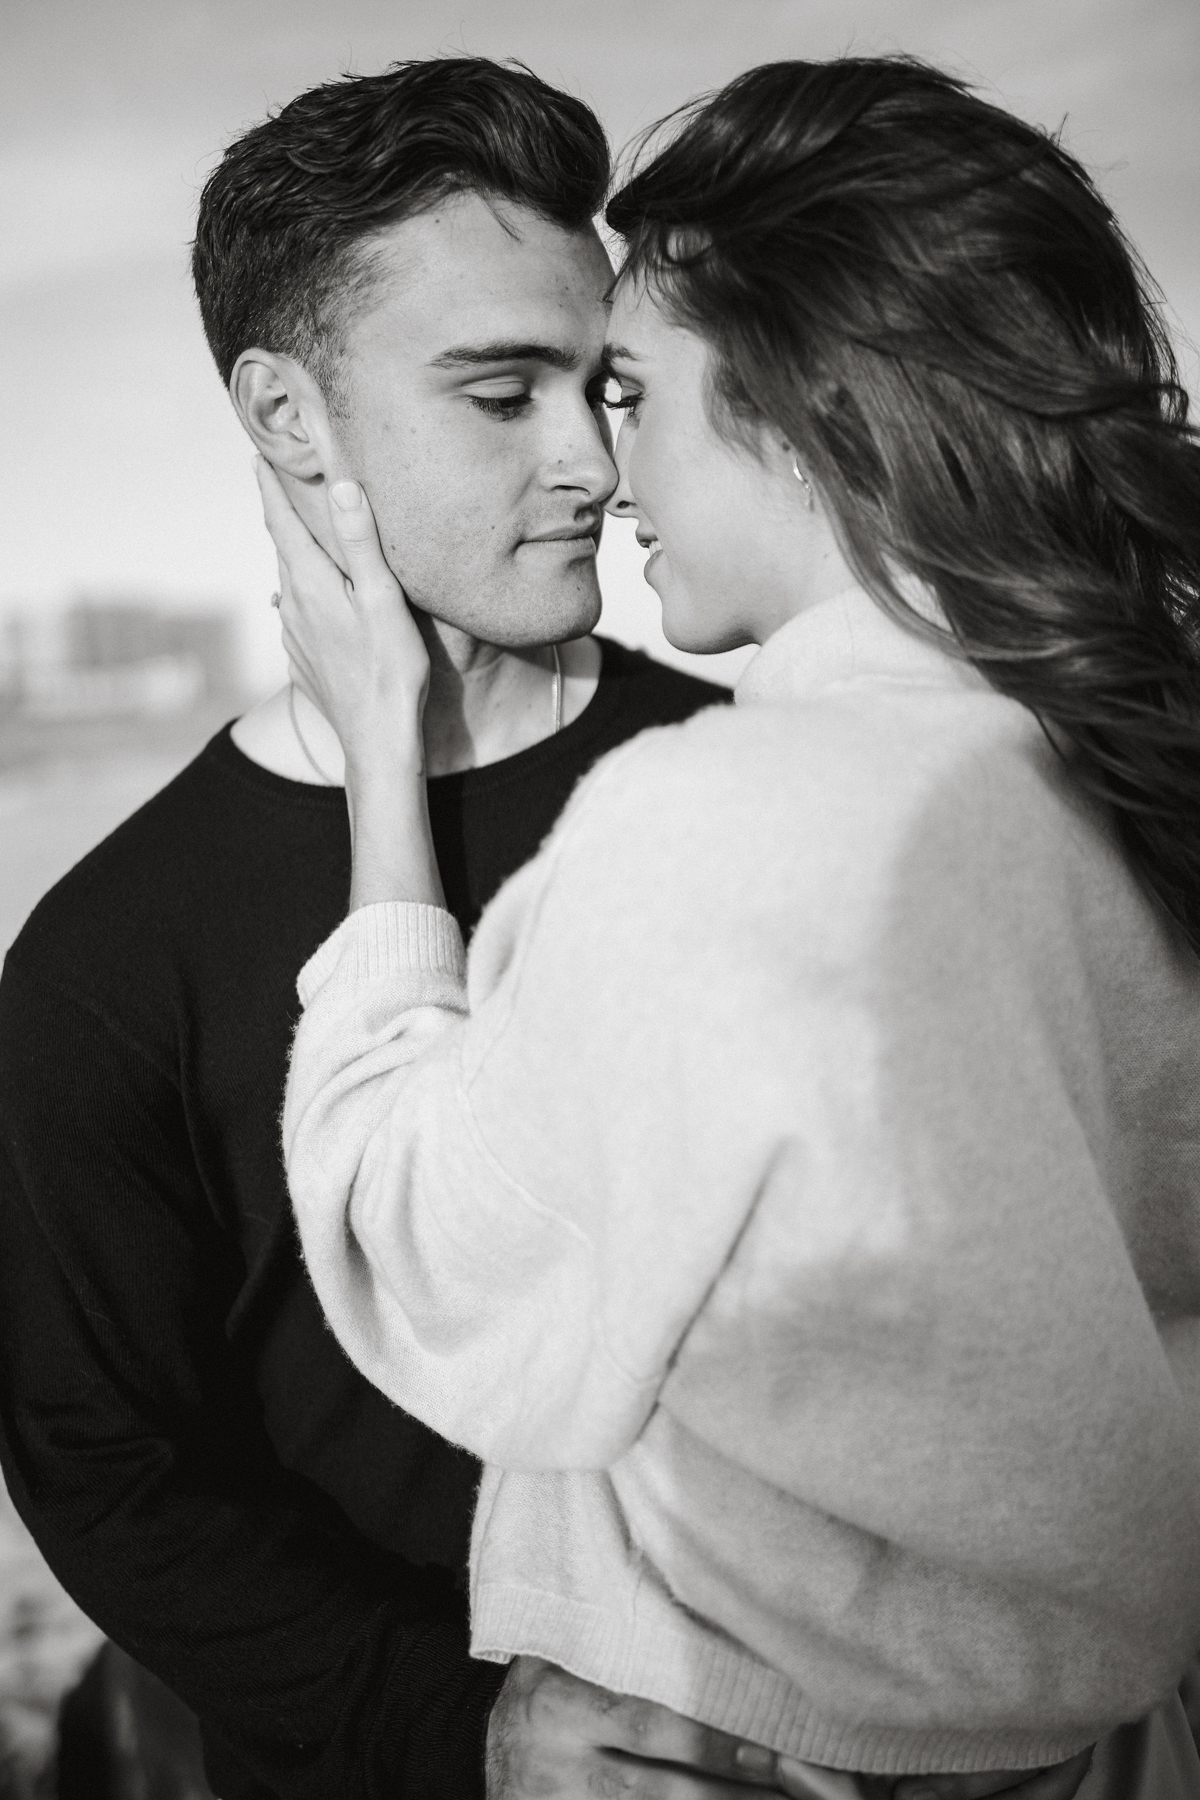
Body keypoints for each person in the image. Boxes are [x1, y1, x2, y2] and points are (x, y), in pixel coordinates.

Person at [273, 55, 1200, 1800]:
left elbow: (430, 1258)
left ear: (794, 405)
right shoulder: (1121, 762)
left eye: (631, 391)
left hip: (771, 1754)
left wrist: (381, 778)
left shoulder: (727, 823)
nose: (604, 473)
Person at [0, 57, 751, 1800]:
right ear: (288, 420)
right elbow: (104, 1466)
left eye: (604, 385)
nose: (594, 462)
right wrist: (466, 1725)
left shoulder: (751, 784)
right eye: (502, 395)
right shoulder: (107, 959)